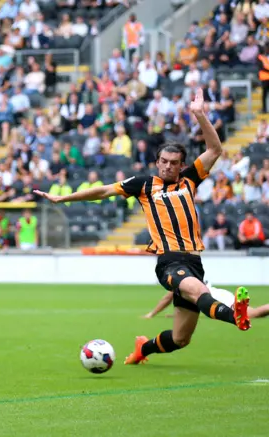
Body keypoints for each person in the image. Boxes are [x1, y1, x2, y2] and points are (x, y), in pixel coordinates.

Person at [34, 89, 251, 367]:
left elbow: (215, 149)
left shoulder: (190, 179)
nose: (168, 167)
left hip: (194, 261)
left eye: (174, 163)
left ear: (181, 165)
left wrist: (199, 114)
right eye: (164, 162)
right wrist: (64, 197)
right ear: (157, 162)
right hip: (170, 263)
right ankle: (235, 315)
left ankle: (142, 349)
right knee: (200, 293)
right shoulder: (144, 185)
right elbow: (103, 191)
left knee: (180, 339)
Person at [143, 283, 269, 320]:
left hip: (216, 298)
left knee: (251, 314)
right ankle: (238, 305)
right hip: (218, 294)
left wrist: (152, 314)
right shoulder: (190, 277)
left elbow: (167, 298)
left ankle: (238, 306)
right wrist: (175, 315)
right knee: (253, 314)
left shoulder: (179, 280)